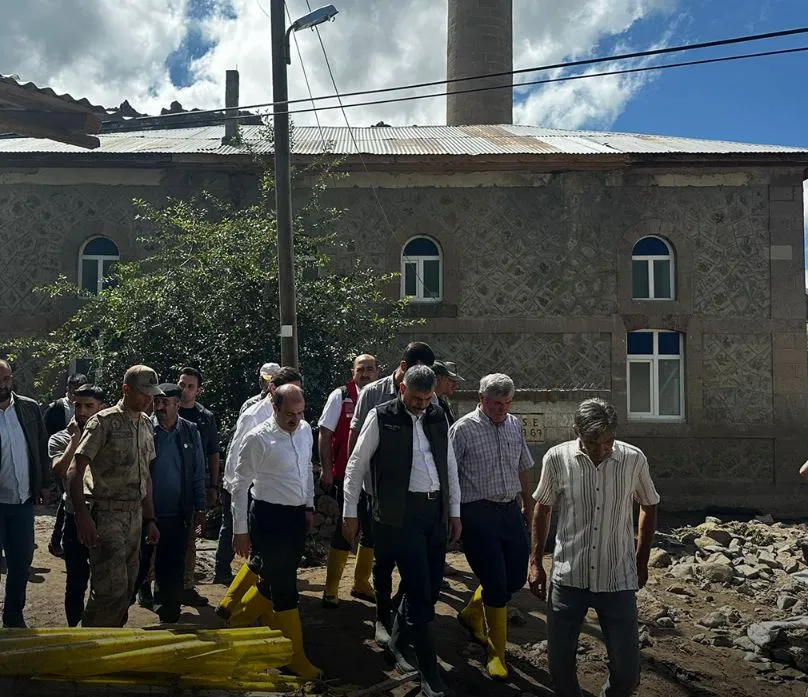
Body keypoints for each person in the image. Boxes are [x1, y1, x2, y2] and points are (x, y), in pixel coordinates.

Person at [528, 398, 660, 697]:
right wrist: (535, 562)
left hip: (617, 580)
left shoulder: (633, 459)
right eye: (592, 442)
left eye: (608, 442)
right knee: (560, 672)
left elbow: (649, 505)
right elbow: (542, 509)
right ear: (578, 434)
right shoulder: (557, 458)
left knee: (627, 675)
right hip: (568, 577)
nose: (601, 450)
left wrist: (641, 560)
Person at [343, 366, 461, 697]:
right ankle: (428, 671)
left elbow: (449, 465)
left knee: (430, 586)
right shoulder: (382, 418)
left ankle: (397, 640)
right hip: (400, 516)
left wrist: (454, 512)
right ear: (401, 389)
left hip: (434, 514)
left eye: (427, 398)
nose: (421, 405)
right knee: (421, 592)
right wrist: (349, 513)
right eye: (415, 398)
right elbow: (356, 465)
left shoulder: (438, 417)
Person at [348, 341, 436, 645]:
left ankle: (400, 612)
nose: (423, 402)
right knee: (382, 558)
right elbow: (357, 446)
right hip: (380, 496)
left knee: (416, 563)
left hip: (416, 501)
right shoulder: (373, 396)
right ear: (402, 371)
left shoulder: (433, 403)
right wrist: (358, 493)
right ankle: (381, 616)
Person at [232, 384, 320, 679]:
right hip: (268, 517)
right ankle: (294, 656)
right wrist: (240, 530)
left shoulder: (306, 429)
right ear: (274, 408)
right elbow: (240, 485)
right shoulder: (258, 439)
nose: (296, 418)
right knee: (285, 588)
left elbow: (306, 468)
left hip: (295, 516)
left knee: (276, 577)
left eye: (300, 412)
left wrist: (308, 506)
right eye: (289, 413)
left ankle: (239, 618)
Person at [450, 373, 534, 679]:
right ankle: (497, 653)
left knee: (514, 578)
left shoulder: (514, 424)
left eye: (508, 403)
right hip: (476, 512)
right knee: (496, 584)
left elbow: (523, 467)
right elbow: (449, 476)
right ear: (482, 399)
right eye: (497, 403)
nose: (502, 409)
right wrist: (453, 516)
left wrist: (528, 506)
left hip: (509, 509)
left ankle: (473, 611)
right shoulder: (462, 429)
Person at [68, 365, 162, 627]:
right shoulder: (103, 422)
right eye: (143, 393)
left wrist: (150, 518)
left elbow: (146, 476)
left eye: (151, 394)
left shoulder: (145, 424)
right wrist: (83, 517)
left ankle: (113, 642)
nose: (148, 399)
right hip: (106, 514)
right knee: (110, 587)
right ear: (126, 390)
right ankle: (90, 645)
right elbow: (75, 471)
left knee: (129, 586)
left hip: (134, 515)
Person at [215, 367, 303, 607]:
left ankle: (234, 604)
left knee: (263, 559)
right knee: (267, 561)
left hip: (281, 498)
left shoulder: (297, 419)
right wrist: (236, 500)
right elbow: (236, 461)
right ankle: (245, 606)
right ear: (274, 391)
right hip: (256, 496)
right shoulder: (254, 416)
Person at [136, 384, 206, 623]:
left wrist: (200, 505)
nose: (160, 406)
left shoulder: (190, 432)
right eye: (157, 402)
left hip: (178, 512)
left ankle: (168, 609)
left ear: (178, 405)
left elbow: (198, 471)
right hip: (145, 512)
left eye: (166, 402)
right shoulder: (144, 428)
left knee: (172, 565)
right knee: (140, 562)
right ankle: (137, 595)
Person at [319, 353, 380, 608]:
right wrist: (326, 469)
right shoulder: (341, 396)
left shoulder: (382, 395)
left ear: (377, 372)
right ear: (352, 371)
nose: (365, 373)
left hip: (375, 477)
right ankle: (331, 589)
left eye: (370, 369)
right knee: (345, 530)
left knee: (372, 530)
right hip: (346, 474)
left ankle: (361, 583)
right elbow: (324, 433)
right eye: (360, 369)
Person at [48, 384, 105, 626]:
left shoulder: (109, 436)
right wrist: (76, 439)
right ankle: (74, 629)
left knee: (109, 580)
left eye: (88, 406)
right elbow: (60, 469)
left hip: (106, 516)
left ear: (101, 408)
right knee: (76, 580)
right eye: (78, 406)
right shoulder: (60, 437)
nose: (82, 411)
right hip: (74, 515)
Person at [0, 359, 50, 628]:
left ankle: (13, 616)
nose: (1, 385)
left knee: (20, 564)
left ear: (11, 379)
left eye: (5, 379)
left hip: (22, 501)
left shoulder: (29, 408)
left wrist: (42, 484)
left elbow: (41, 447)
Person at [177, 367, 220, 607]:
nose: (184, 390)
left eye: (190, 386)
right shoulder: (164, 410)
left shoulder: (205, 417)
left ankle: (186, 586)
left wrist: (213, 484)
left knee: (189, 538)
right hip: (166, 484)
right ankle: (150, 586)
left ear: (199, 391)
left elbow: (213, 452)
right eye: (181, 384)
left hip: (193, 485)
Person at [44, 372, 89, 559]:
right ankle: (60, 539)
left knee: (68, 498)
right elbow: (46, 432)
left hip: (83, 457)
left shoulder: (90, 405)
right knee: (68, 496)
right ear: (68, 388)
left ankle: (58, 539)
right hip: (63, 455)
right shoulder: (57, 407)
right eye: (74, 388)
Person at [432, 361, 463, 425]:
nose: (455, 384)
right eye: (451, 380)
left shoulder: (444, 402)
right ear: (438, 379)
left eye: (455, 381)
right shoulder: (426, 403)